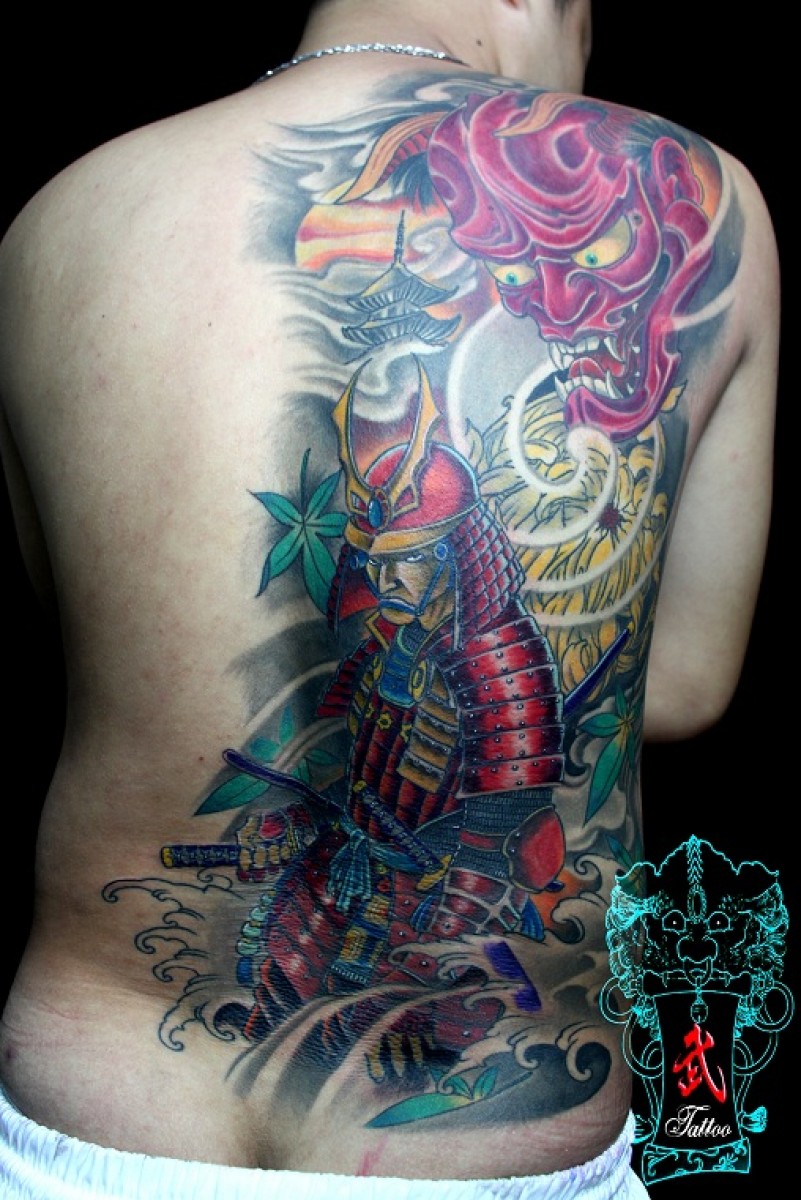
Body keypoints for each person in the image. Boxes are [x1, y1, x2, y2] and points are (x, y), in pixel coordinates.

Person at [0, 1, 779, 1198]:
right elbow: (673, 684)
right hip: (487, 1149)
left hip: (81, 1134)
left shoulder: (60, 218)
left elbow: (96, 629)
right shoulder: (689, 192)